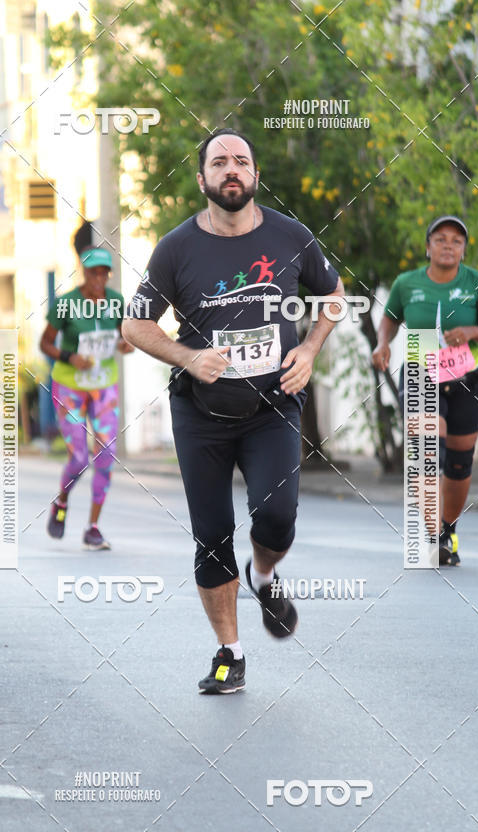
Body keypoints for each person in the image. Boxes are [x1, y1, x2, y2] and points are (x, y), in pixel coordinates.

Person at [122, 128, 344, 693]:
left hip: (273, 407)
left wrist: (310, 349)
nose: (231, 169)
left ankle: (264, 574)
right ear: (201, 180)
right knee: (213, 533)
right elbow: (135, 324)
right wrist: (188, 357)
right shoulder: (175, 249)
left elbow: (334, 295)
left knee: (276, 518)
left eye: (241, 161)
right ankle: (230, 651)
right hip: (201, 415)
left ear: (255, 176)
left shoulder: (290, 235)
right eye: (219, 162)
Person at [372, 215, 478, 566]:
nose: (448, 245)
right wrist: (383, 343)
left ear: (464, 249)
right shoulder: (406, 283)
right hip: (420, 375)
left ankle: (447, 530)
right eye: (441, 238)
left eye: (456, 240)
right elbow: (389, 317)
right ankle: (432, 534)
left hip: (466, 381)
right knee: (430, 456)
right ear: (428, 245)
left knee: (459, 465)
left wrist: (472, 332)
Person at [39, 235, 133, 549]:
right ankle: (62, 501)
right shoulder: (66, 303)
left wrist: (125, 344)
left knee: (106, 456)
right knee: (79, 458)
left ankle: (93, 526)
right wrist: (70, 357)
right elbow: (45, 343)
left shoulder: (116, 301)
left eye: (104, 272)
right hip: (70, 387)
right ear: (83, 273)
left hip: (104, 385)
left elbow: (124, 336)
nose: (99, 278)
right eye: (93, 272)